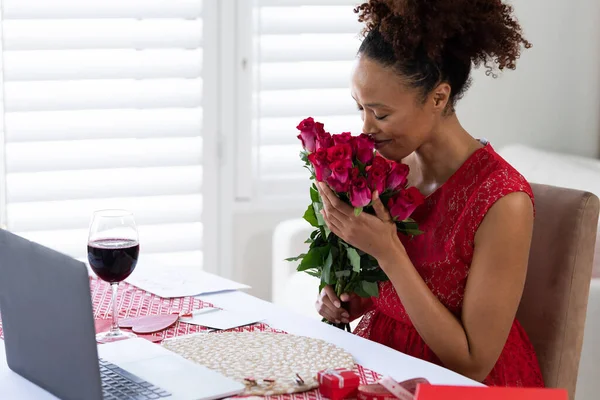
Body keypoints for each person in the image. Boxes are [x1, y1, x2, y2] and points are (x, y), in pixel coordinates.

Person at [315, 0, 544, 387]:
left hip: (460, 386)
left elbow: (473, 364)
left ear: (438, 98)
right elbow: (400, 291)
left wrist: (388, 252)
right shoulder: (390, 171)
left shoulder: (504, 201)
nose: (365, 128)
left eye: (381, 114)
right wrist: (351, 299)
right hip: (385, 363)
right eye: (360, 108)